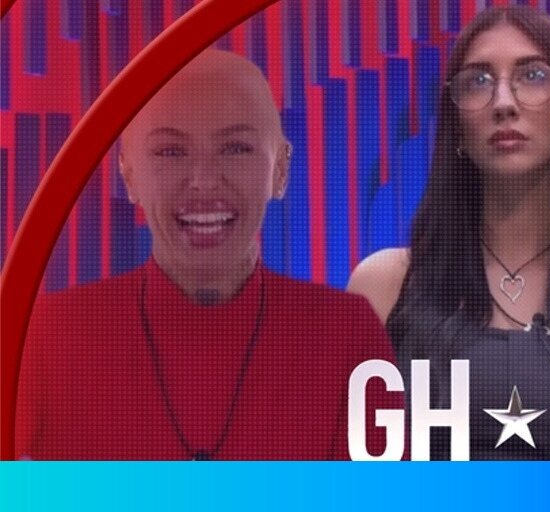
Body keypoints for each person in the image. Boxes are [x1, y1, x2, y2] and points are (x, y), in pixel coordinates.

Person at [15, 50, 402, 460]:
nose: (203, 180)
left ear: (280, 170)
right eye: (170, 151)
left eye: (234, 148)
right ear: (128, 175)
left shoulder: (348, 332)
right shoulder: (45, 335)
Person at [347, 6, 550, 460]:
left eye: (532, 76)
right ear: (455, 121)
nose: (503, 102)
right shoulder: (385, 286)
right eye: (477, 81)